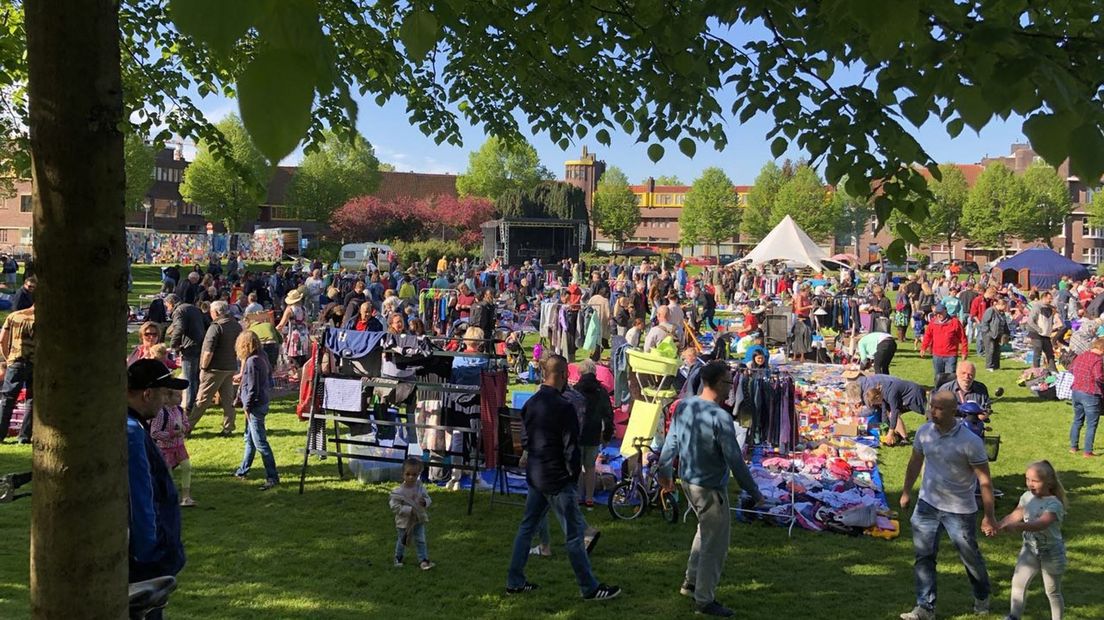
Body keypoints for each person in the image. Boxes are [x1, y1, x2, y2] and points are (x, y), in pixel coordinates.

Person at [505, 355, 621, 601]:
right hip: (558, 477)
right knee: (573, 536)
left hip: (536, 474)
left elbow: (524, 441)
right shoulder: (564, 406)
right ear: (562, 375)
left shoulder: (531, 403)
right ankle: (589, 587)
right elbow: (571, 447)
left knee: (527, 527)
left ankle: (514, 580)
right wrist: (571, 475)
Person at [657, 362, 765, 617]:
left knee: (704, 532)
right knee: (715, 545)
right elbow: (735, 460)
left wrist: (664, 472)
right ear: (717, 383)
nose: (731, 389)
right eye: (729, 383)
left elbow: (671, 441)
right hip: (709, 488)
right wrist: (755, 493)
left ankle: (690, 582)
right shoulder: (720, 417)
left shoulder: (684, 405)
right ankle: (705, 600)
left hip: (688, 483)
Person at [899, 391, 996, 620]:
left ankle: (982, 595)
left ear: (954, 411)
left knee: (969, 557)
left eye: (939, 408)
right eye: (932, 406)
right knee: (924, 556)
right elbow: (915, 462)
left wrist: (989, 516)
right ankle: (925, 607)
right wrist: (905, 492)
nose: (933, 412)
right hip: (927, 504)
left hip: (959, 510)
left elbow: (984, 481)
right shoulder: (924, 433)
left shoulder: (970, 442)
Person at [126, 359, 188, 589]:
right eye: (163, 394)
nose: (164, 402)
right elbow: (140, 496)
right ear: (147, 394)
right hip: (146, 560)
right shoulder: (131, 432)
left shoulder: (135, 426)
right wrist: (150, 551)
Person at [997, 460, 1067, 620]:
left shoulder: (1054, 504)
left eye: (1035, 481)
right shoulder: (1027, 497)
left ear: (1048, 482)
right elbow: (1015, 515)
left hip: (1051, 553)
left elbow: (1041, 524)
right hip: (1029, 549)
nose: (1030, 484)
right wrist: (998, 525)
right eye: (1027, 479)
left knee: (1052, 591)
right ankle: (1014, 616)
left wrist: (1018, 527)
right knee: (1018, 583)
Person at [188, 300, 243, 436]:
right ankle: (228, 427)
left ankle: (186, 428)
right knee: (227, 400)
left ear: (216, 312)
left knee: (202, 400)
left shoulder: (216, 327)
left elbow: (208, 352)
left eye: (212, 311)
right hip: (230, 366)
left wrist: (203, 367)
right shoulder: (236, 325)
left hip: (214, 368)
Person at [232, 331, 278, 490]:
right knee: (249, 439)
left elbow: (252, 389)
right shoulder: (262, 356)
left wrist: (246, 407)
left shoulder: (252, 362)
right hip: (261, 402)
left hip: (255, 406)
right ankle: (242, 470)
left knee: (260, 443)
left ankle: (272, 476)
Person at [573, 359, 614, 508]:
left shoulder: (575, 390)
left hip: (578, 433)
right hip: (594, 433)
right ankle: (589, 498)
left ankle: (577, 497)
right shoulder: (601, 391)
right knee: (590, 467)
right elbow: (608, 415)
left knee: (577, 467)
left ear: (580, 373)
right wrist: (607, 435)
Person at [149, 388, 195, 507]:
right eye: (177, 396)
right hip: (165, 449)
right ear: (167, 398)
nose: (180, 399)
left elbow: (186, 423)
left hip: (179, 447)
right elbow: (154, 433)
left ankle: (186, 497)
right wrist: (171, 434)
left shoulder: (179, 410)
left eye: (181, 396)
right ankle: (169, 497)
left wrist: (184, 428)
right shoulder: (160, 413)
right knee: (168, 474)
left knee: (187, 467)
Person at [390, 457, 434, 570]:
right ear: (403, 474)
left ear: (418, 474)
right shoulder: (398, 492)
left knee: (420, 539)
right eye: (408, 474)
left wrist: (425, 502)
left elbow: (428, 498)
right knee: (403, 540)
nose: (411, 477)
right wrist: (408, 510)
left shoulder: (420, 488)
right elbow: (394, 506)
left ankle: (423, 559)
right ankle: (398, 557)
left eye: (414, 474)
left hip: (418, 519)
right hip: (404, 522)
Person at [165, 293, 206, 416]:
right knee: (195, 377)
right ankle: (195, 403)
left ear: (171, 304)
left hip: (189, 347)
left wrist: (173, 346)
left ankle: (188, 407)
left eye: (167, 306)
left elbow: (179, 328)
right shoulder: (193, 308)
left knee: (189, 378)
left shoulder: (179, 311)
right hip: (200, 344)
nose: (167, 309)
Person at [0, 304, 34, 444]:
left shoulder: (13, 316)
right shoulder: (44, 319)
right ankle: (24, 437)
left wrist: (8, 358)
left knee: (7, 399)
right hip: (35, 363)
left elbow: (2, 339)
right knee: (32, 400)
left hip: (15, 362)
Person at [1067, 337, 1103, 458]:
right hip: (1090, 394)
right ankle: (1088, 451)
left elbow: (1071, 369)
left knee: (1077, 420)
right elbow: (1099, 377)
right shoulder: (1097, 360)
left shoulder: (1081, 356)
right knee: (1091, 424)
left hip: (1076, 391)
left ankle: (1073, 447)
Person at [920, 303, 968, 384]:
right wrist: (923, 348)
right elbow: (928, 336)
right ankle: (938, 393)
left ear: (946, 311)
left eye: (940, 313)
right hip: (937, 355)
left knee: (950, 377)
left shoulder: (955, 322)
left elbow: (963, 338)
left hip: (951, 355)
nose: (938, 315)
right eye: (937, 313)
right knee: (938, 377)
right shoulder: (933, 322)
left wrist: (964, 351)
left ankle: (950, 394)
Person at [276, 289, 311, 370]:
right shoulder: (304, 308)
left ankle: (298, 375)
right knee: (303, 358)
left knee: (294, 359)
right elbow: (307, 322)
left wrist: (274, 330)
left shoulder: (290, 309)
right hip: (304, 335)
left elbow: (281, 325)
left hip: (295, 336)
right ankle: (303, 374)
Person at [979, 297, 1010, 371]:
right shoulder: (990, 311)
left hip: (998, 334)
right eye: (1005, 306)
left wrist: (1007, 333)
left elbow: (1004, 323)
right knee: (990, 350)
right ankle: (989, 366)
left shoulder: (1002, 313)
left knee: (997, 350)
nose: (1006, 308)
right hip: (989, 334)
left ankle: (996, 366)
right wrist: (988, 332)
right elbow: (984, 323)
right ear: (1000, 305)